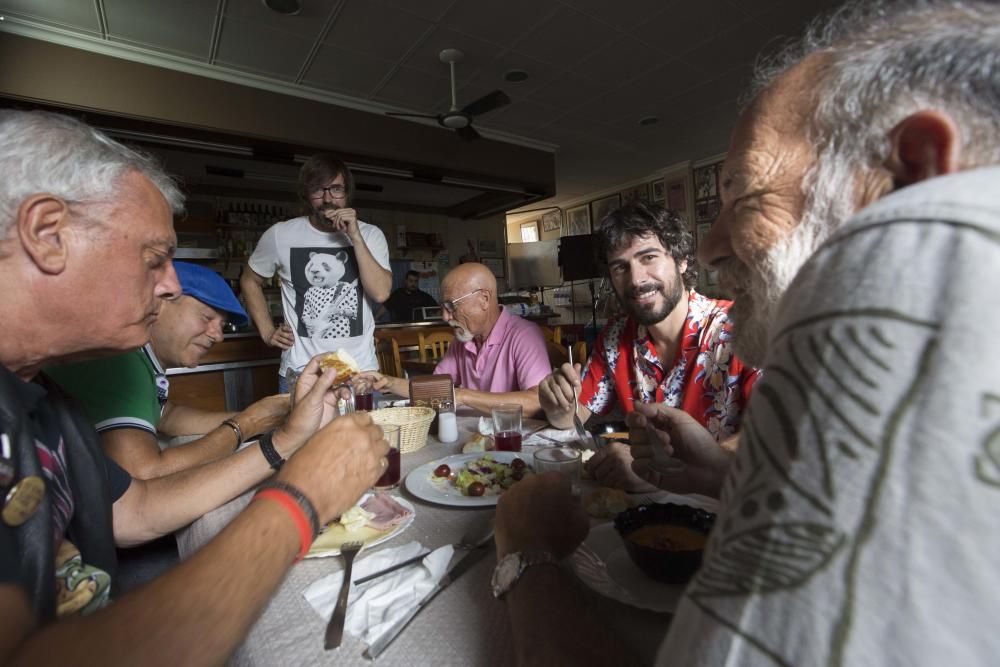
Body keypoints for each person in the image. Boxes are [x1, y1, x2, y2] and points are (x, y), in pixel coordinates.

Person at [495, 1, 1000, 665]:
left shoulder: (786, 334)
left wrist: (524, 543)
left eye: (746, 195)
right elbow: (593, 418)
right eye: (619, 267)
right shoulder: (622, 337)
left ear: (913, 176)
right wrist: (721, 469)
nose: (715, 245)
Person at [0, 110, 388, 663]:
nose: (172, 284)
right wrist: (301, 498)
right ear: (46, 234)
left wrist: (281, 440)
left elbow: (132, 512)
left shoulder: (42, 396)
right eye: (155, 259)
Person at [538, 201, 757, 491]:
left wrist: (665, 471)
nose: (636, 279)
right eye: (620, 267)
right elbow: (575, 414)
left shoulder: (742, 328)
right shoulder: (616, 336)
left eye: (649, 257)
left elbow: (777, 433)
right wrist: (556, 405)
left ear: (682, 260)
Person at [47, 261, 289, 480]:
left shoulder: (139, 356)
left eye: (222, 325)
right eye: (207, 317)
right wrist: (246, 424)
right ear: (158, 303)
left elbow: (168, 417)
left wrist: (265, 418)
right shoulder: (119, 357)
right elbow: (144, 472)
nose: (218, 335)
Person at [240, 153, 392, 391]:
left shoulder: (371, 235)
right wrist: (268, 331)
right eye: (318, 190)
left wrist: (355, 237)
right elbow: (249, 280)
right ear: (306, 195)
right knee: (297, 430)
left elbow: (381, 293)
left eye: (336, 189)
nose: (328, 199)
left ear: (347, 192)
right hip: (301, 373)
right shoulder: (280, 235)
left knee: (361, 430)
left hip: (359, 372)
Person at [363, 262, 550, 416]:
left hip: (513, 443)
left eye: (451, 306)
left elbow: (537, 401)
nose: (445, 316)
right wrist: (388, 382)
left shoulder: (524, 335)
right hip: (473, 435)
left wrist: (463, 396)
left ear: (484, 299)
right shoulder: (464, 338)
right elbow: (436, 388)